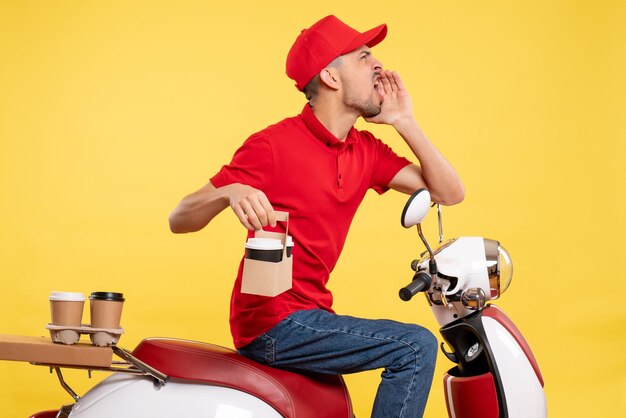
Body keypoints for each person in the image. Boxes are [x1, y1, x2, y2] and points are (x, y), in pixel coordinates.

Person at [169, 15, 464, 418]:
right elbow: (179, 218)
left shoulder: (367, 151)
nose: (378, 65)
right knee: (414, 345)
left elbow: (449, 192)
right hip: (271, 324)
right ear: (330, 76)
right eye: (364, 57)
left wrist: (404, 121)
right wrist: (229, 192)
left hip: (313, 317)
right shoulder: (273, 145)